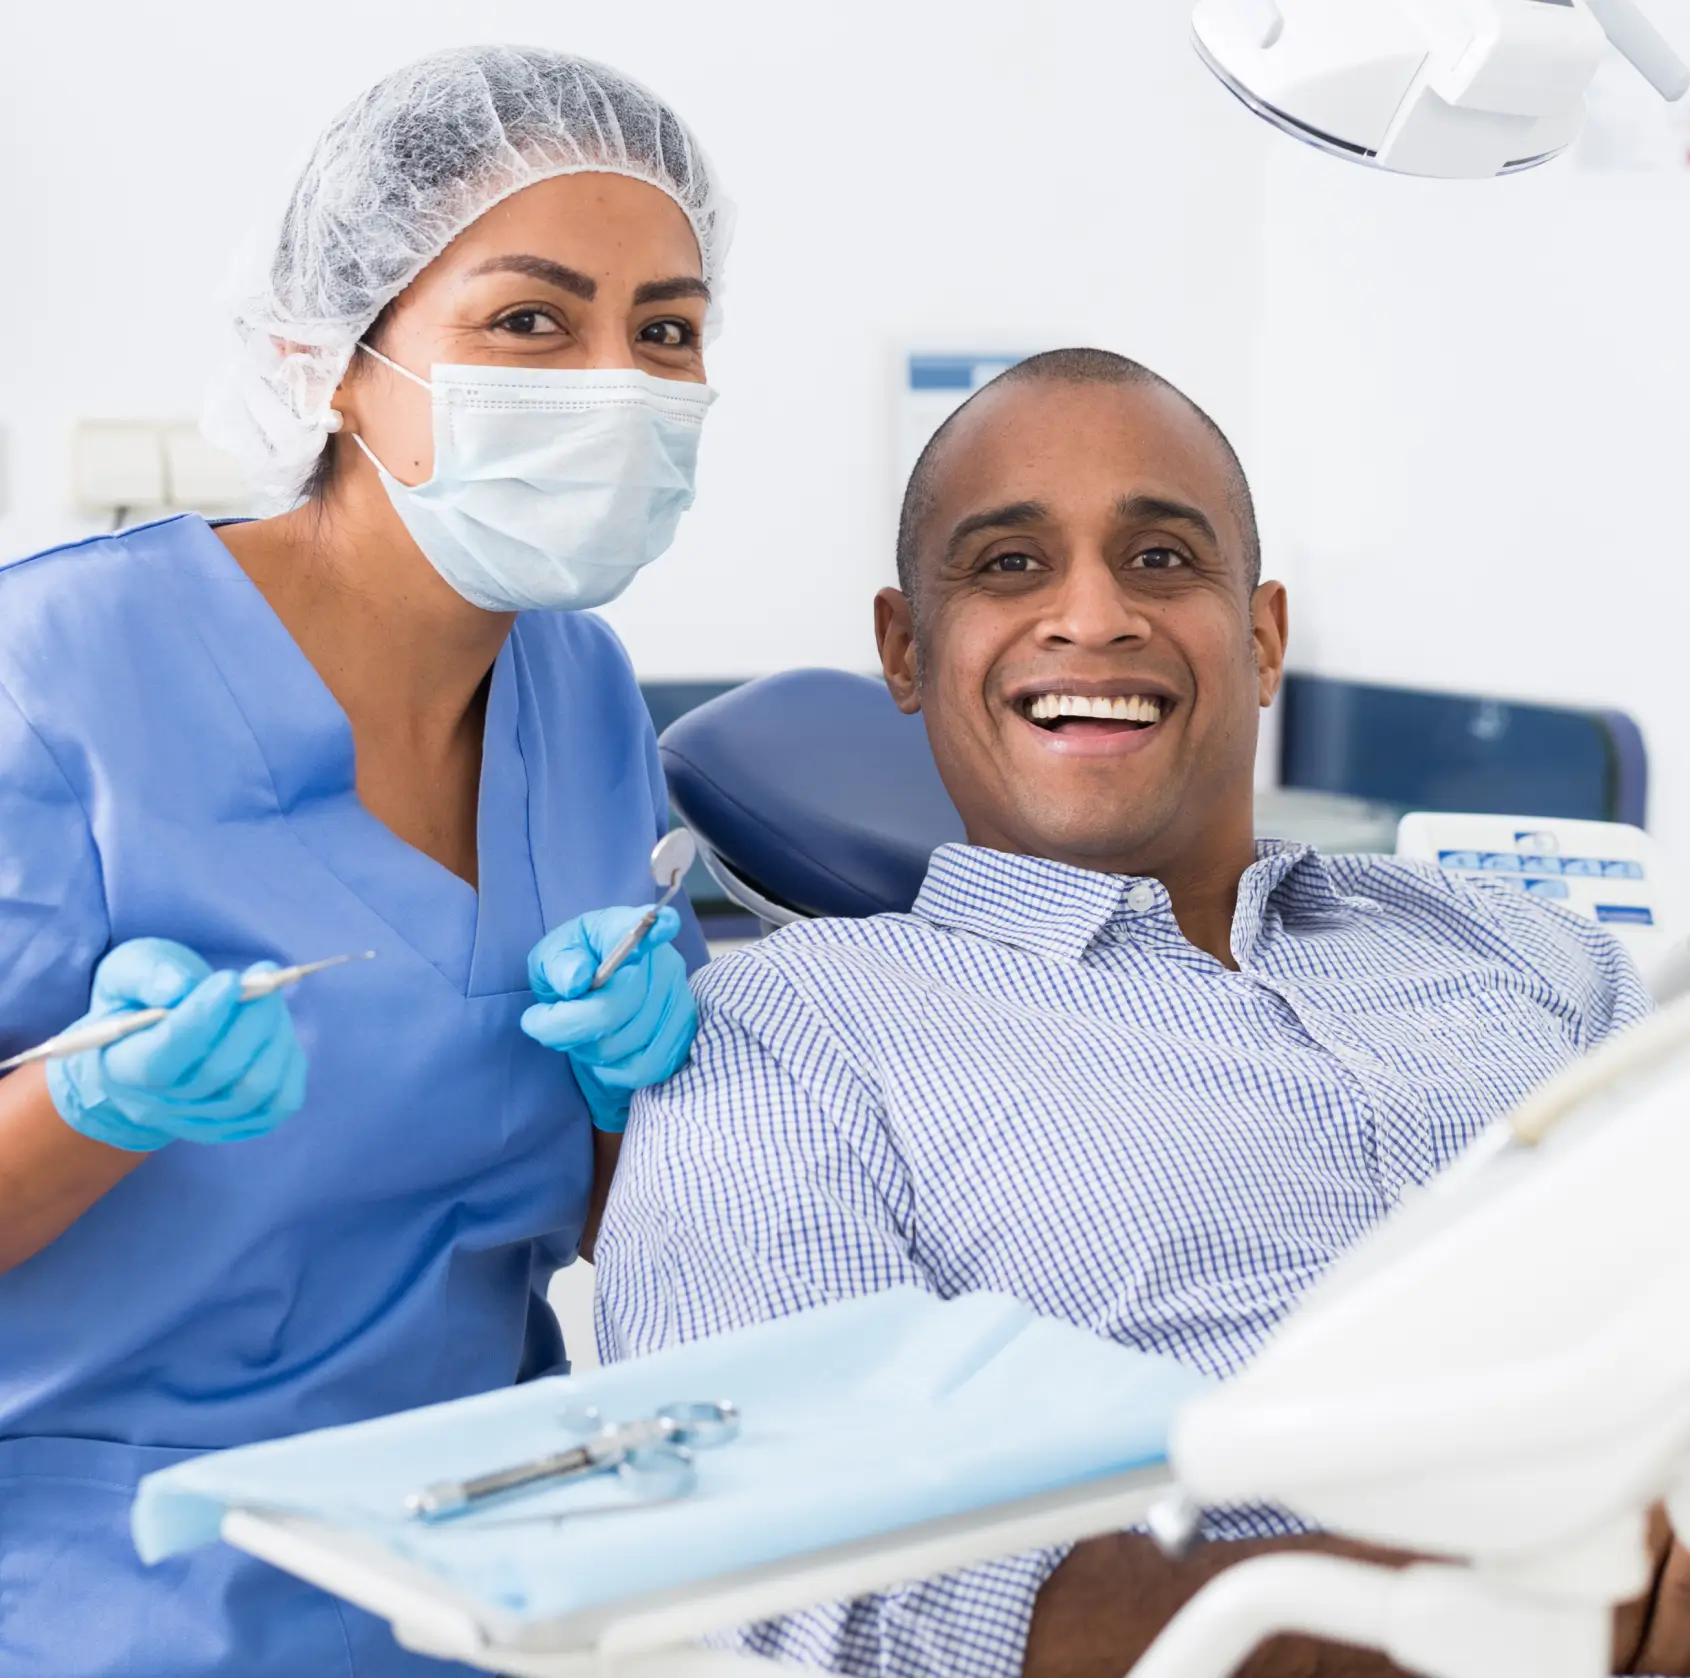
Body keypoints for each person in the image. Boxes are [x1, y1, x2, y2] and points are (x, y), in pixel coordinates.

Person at [595, 348, 1690, 1677]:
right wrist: (1484, 1612)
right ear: (903, 648)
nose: (1092, 616)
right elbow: (804, 1561)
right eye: (1007, 565)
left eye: (1162, 559)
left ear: (1263, 634)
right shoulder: (791, 1038)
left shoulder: (1521, 947)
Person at [0, 45, 730, 1678]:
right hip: (113, 1584)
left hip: (495, 1559)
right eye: (530, 321)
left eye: (665, 331)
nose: (612, 381)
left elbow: (605, 1221)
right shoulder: (54, 673)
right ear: (331, 357)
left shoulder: (582, 686)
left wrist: (633, 1100)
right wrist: (90, 1106)